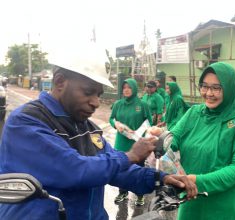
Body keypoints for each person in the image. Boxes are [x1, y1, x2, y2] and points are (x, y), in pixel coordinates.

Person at [0, 46, 197, 220]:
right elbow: (73, 170)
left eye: (99, 95)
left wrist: (159, 178)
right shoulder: (26, 122)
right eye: (88, 92)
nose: (95, 102)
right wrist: (130, 155)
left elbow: (115, 168)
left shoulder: (87, 127)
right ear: (60, 82)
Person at [149, 62, 235, 220]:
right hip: (191, 201)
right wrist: (159, 138)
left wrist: (196, 181)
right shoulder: (195, 113)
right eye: (204, 86)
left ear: (229, 88)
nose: (209, 93)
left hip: (225, 206)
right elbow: (173, 140)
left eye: (217, 88)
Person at [109, 78, 152, 205]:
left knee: (138, 169)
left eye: (129, 87)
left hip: (137, 142)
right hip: (121, 142)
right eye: (124, 88)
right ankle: (122, 193)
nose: (126, 90)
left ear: (134, 89)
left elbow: (149, 121)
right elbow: (111, 118)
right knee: (121, 168)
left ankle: (140, 195)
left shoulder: (142, 104)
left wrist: (139, 133)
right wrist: (116, 124)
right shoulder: (118, 104)